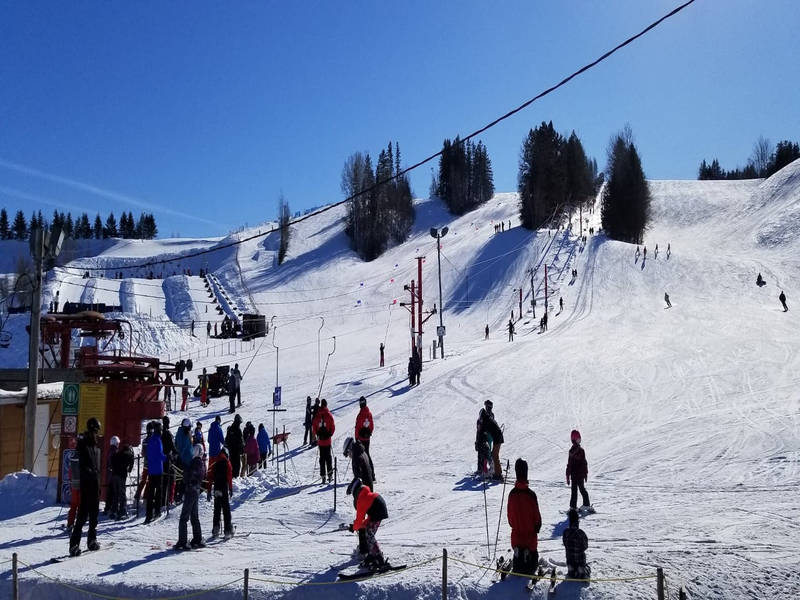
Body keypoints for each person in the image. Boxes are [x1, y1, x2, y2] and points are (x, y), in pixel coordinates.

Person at [69, 418, 103, 556]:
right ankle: (74, 544)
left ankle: (92, 540)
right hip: (87, 483)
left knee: (94, 514)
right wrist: (90, 473)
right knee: (83, 515)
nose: (97, 435)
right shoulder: (84, 444)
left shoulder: (95, 447)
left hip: (94, 483)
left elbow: (96, 466)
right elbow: (83, 463)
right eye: (95, 431)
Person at [507, 458, 542, 576]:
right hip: (530, 538)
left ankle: (519, 553)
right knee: (532, 563)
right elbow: (537, 519)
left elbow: (510, 519)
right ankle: (527, 555)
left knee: (518, 563)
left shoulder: (512, 494)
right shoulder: (531, 495)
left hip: (516, 536)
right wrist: (537, 527)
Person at [346, 478, 388, 570]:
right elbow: (363, 521)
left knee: (369, 534)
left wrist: (354, 527)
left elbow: (359, 519)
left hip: (378, 511)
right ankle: (372, 554)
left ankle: (378, 557)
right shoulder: (365, 494)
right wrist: (356, 526)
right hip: (378, 510)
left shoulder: (361, 499)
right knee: (367, 531)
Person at [174, 444, 207, 550]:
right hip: (196, 490)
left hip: (191, 491)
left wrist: (185, 474)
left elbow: (189, 475)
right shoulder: (200, 463)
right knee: (194, 516)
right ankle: (197, 539)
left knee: (184, 517)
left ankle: (183, 542)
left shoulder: (196, 463)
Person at [210, 447, 234, 539]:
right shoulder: (226, 462)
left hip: (216, 488)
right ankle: (227, 530)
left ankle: (215, 529)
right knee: (226, 509)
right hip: (224, 487)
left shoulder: (215, 461)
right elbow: (229, 475)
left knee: (217, 509)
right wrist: (230, 488)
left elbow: (210, 475)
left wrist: (209, 490)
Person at [145, 421, 167, 523]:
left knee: (150, 493)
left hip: (151, 470)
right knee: (158, 492)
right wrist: (167, 457)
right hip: (158, 470)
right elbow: (160, 455)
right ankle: (157, 511)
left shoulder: (150, 440)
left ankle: (148, 514)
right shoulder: (158, 440)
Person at [563, 508, 590, 580]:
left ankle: (571, 569)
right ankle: (581, 570)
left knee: (569, 555)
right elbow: (585, 546)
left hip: (570, 559)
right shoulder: (580, 532)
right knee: (587, 568)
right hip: (580, 559)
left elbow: (565, 544)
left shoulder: (565, 532)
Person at [312, 398, 336, 483]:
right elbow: (333, 427)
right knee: (328, 458)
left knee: (322, 458)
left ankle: (323, 476)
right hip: (327, 440)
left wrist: (317, 434)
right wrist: (330, 434)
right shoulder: (329, 415)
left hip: (320, 441)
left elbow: (314, 427)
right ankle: (330, 475)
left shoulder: (317, 415)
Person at [566, 430, 591, 510]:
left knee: (581, 489)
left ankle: (586, 504)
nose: (579, 440)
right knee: (574, 491)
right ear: (573, 440)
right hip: (574, 475)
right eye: (578, 439)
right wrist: (567, 475)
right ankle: (573, 507)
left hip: (579, 474)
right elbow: (569, 464)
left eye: (580, 439)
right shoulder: (572, 451)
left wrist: (585, 473)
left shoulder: (581, 451)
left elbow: (584, 463)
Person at [110, 442, 134, 520]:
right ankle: (122, 511)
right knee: (122, 494)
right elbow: (131, 463)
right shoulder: (129, 454)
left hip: (114, 474)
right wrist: (129, 469)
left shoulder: (118, 453)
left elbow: (112, 459)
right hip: (121, 475)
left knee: (115, 493)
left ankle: (113, 511)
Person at [481, 400, 504, 480]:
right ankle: (497, 472)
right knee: (494, 454)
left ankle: (498, 474)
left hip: (496, 437)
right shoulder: (489, 417)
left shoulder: (486, 418)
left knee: (494, 455)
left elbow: (484, 429)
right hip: (497, 436)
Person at [354, 396, 375, 479]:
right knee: (367, 455)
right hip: (367, 438)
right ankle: (372, 474)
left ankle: (364, 474)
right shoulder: (369, 414)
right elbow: (372, 425)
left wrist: (356, 437)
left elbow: (357, 427)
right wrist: (369, 433)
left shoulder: (360, 415)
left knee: (362, 457)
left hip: (361, 439)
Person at [175, 418, 194, 503]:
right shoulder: (184, 434)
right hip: (185, 460)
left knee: (181, 478)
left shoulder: (182, 432)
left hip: (184, 459)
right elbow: (183, 447)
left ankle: (178, 495)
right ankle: (181, 496)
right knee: (184, 479)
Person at [161, 416, 178, 507]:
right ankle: (167, 501)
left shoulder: (160, 432)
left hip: (161, 458)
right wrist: (176, 453)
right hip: (167, 458)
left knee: (163, 481)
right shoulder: (167, 433)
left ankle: (162, 501)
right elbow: (172, 446)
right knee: (169, 480)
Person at [104, 435, 120, 517]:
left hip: (109, 475)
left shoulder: (109, 450)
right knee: (114, 492)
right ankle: (114, 509)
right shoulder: (115, 451)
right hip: (114, 474)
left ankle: (107, 507)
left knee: (109, 492)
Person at [66, 453, 81, 532]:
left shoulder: (72, 461)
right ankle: (79, 525)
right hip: (81, 486)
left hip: (74, 485)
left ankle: (70, 524)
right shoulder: (83, 460)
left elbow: (69, 474)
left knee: (73, 506)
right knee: (80, 506)